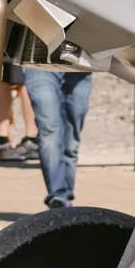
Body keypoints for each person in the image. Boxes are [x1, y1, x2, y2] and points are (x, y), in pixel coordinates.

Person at [21, 63, 94, 209]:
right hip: (40, 59)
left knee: (72, 139)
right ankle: (58, 195)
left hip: (80, 62)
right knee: (49, 132)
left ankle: (65, 196)